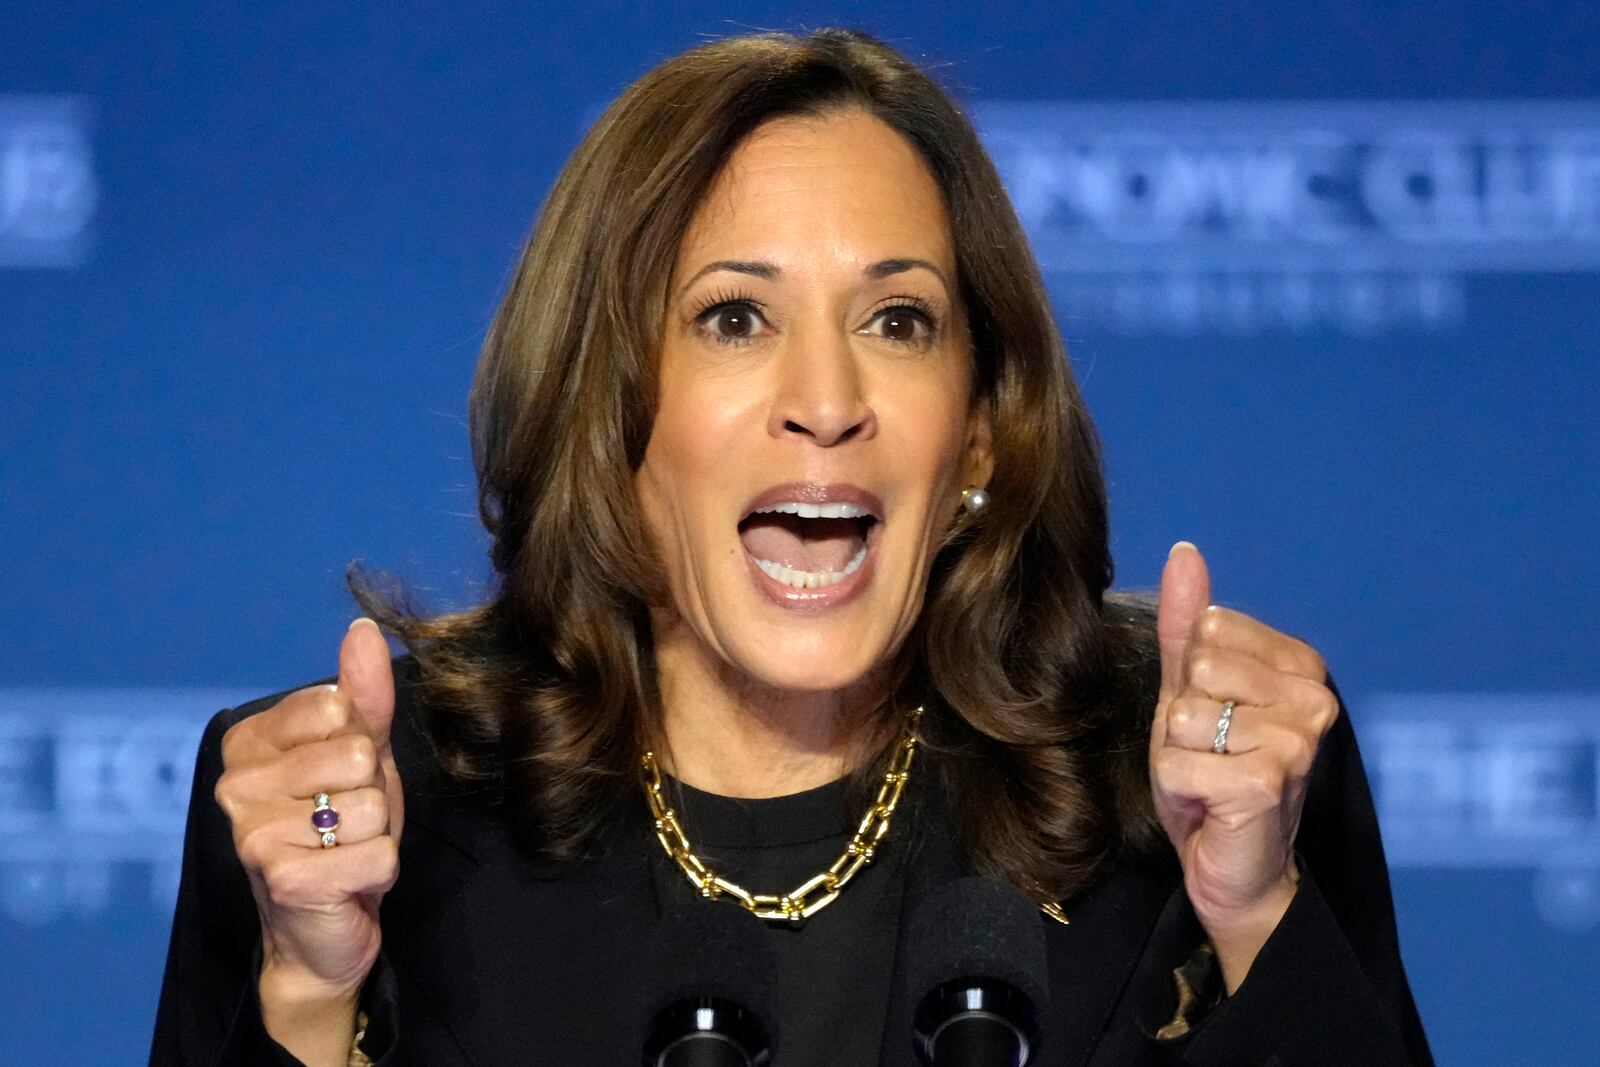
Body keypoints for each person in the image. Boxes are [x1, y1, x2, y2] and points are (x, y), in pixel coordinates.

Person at [150, 26, 1432, 1067]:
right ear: (609, 413)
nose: (825, 396)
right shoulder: (380, 810)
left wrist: (1254, 913)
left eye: (897, 318)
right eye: (733, 316)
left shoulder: (1188, 779)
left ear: (979, 433)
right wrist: (313, 997)